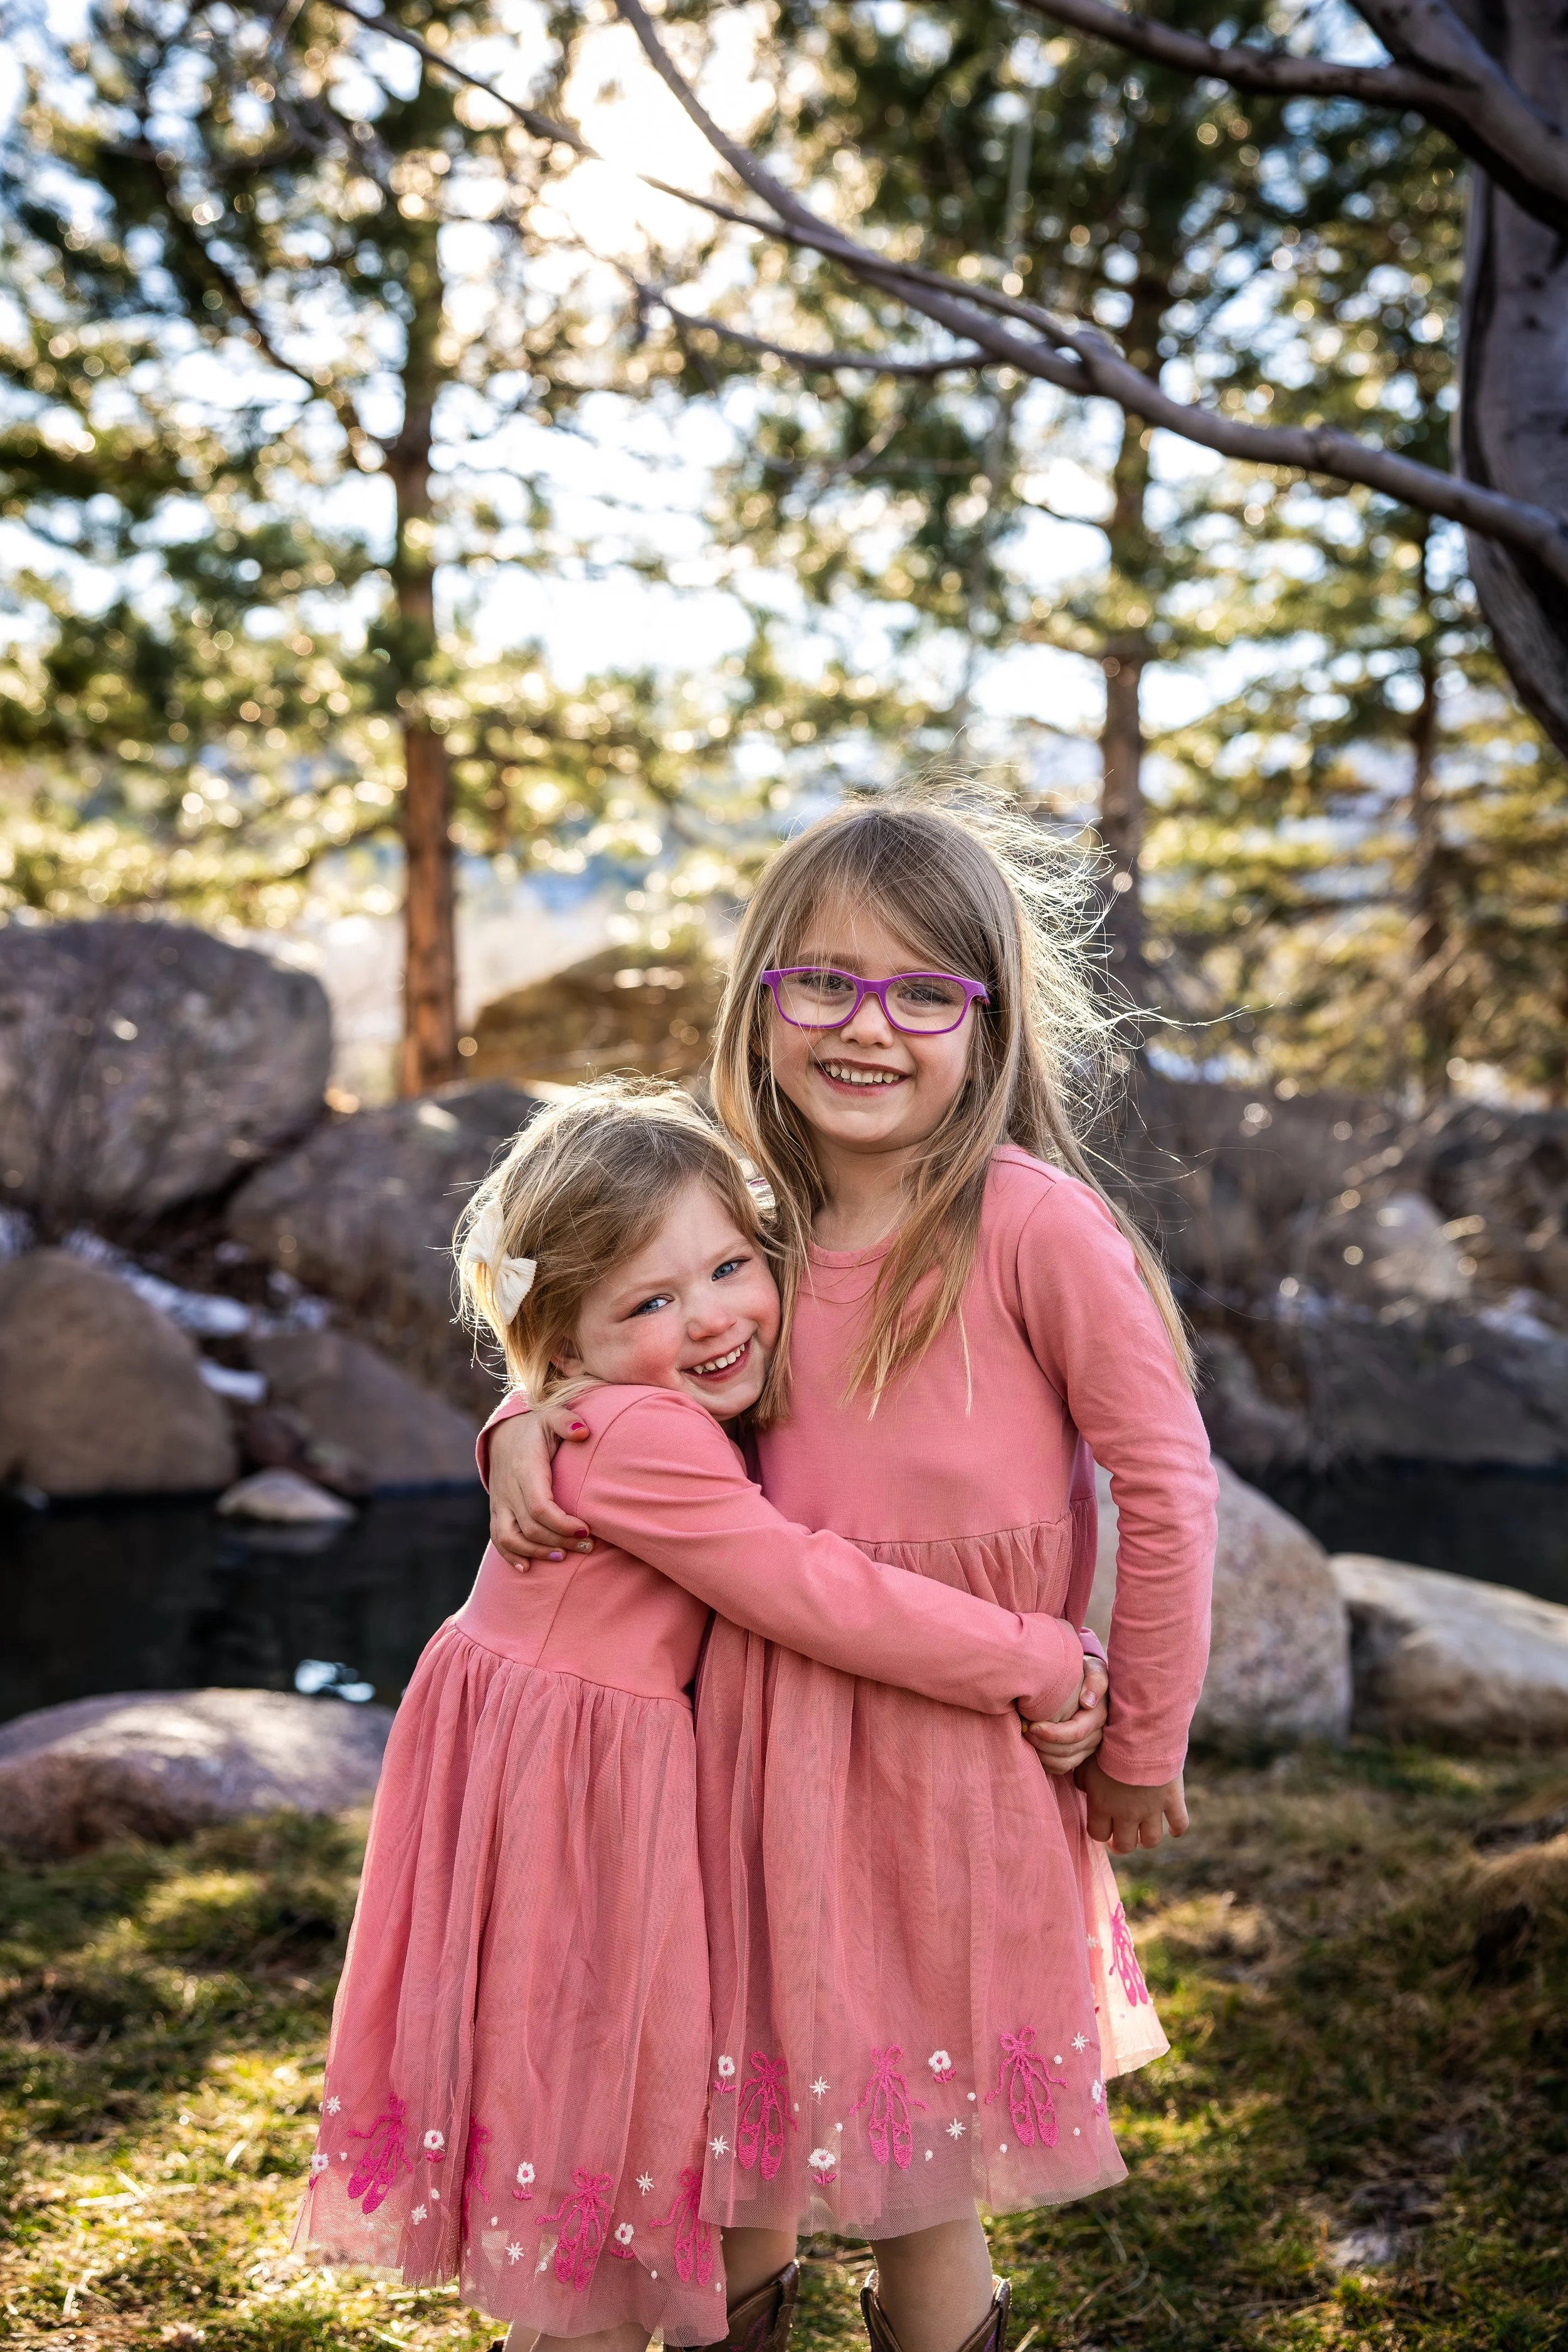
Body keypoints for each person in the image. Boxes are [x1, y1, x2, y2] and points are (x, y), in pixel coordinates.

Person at [484, 789, 1218, 2352]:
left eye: (920, 992)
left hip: (950, 1756)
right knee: (734, 2108)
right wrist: (516, 1426)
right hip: (746, 1744)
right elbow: (586, 1319)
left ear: (990, 1019)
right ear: (761, 998)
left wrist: (1140, 1733)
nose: (863, 1026)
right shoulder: (743, 1210)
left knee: (918, 2156)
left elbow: (1163, 1484)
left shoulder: (1031, 1226)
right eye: (821, 981)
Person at [298, 1079, 1110, 2352]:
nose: (714, 1317)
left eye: (731, 1265)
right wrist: (1035, 1654)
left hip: (567, 1782)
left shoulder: (610, 1405)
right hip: (576, 1814)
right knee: (617, 2161)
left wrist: (518, 1414)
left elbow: (578, 1400)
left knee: (649, 2138)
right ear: (563, 1337)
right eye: (651, 1303)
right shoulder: (645, 1440)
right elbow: (812, 1592)